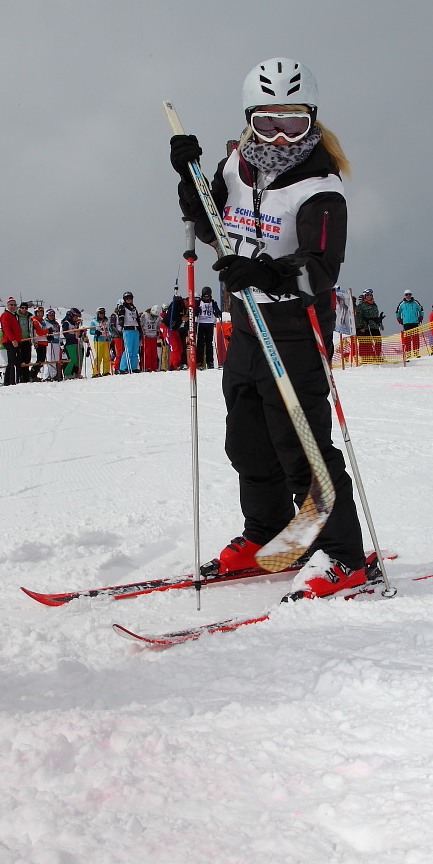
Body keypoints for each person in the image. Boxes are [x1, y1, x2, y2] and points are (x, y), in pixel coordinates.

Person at [169, 55, 366, 598]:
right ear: (248, 119)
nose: (281, 137)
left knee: (302, 448)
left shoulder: (320, 187)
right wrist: (189, 177)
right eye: (268, 122)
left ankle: (343, 556)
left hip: (296, 330)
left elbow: (320, 269)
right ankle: (268, 536)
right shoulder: (236, 166)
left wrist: (264, 272)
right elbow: (210, 225)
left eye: (294, 123)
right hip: (246, 326)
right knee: (248, 442)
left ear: (313, 120)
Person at [195, 286, 221, 369]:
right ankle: (199, 362)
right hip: (201, 323)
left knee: (209, 343)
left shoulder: (213, 302)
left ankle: (210, 362)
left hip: (209, 324)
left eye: (208, 297)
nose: (206, 298)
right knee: (200, 343)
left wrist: (217, 313)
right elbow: (194, 310)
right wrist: (197, 311)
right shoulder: (199, 302)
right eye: (205, 297)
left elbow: (217, 310)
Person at [355, 288, 384, 361]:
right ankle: (366, 358)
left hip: (375, 325)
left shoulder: (374, 305)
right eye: (367, 295)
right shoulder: (361, 305)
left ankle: (377, 356)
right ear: (365, 296)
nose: (369, 296)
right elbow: (358, 317)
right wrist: (361, 326)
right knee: (367, 342)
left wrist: (380, 324)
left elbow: (376, 315)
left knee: (378, 341)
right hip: (366, 326)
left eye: (370, 295)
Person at [0, 297, 22, 385]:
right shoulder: (5, 315)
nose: (13, 306)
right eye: (11, 305)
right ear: (7, 306)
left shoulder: (12, 315)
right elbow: (6, 328)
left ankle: (11, 380)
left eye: (14, 305)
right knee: (12, 361)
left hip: (15, 340)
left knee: (14, 361)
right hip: (9, 340)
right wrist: (12, 339)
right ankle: (10, 381)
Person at [116, 292, 141, 372]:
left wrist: (140, 330)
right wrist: (120, 328)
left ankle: (133, 367)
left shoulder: (134, 308)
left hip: (135, 329)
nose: (129, 300)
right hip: (127, 329)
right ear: (124, 299)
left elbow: (137, 319)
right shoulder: (123, 308)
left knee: (135, 350)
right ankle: (123, 368)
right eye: (127, 298)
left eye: (130, 298)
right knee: (128, 350)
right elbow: (120, 318)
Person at [395, 290, 424, 359]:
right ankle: (408, 353)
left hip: (414, 322)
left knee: (415, 337)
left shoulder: (415, 303)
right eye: (406, 295)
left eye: (409, 294)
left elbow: (421, 310)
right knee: (407, 339)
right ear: (404, 295)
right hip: (406, 323)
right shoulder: (402, 304)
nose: (408, 296)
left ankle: (416, 352)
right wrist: (399, 319)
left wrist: (420, 317)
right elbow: (397, 312)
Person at [61, 308, 83, 377]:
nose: (77, 318)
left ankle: (75, 373)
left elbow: (76, 332)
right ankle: (67, 374)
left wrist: (81, 333)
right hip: (69, 344)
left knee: (78, 359)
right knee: (73, 359)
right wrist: (73, 335)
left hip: (76, 343)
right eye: (76, 317)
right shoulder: (66, 323)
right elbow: (65, 334)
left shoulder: (74, 323)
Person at [89, 308, 111, 376]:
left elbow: (110, 329)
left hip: (106, 340)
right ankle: (96, 372)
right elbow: (91, 331)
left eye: (103, 313)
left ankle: (106, 371)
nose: (102, 314)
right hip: (98, 340)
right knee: (99, 356)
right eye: (100, 313)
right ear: (97, 314)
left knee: (106, 356)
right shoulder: (94, 321)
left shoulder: (107, 321)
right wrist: (96, 332)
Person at [43, 308, 63, 379]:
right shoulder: (44, 322)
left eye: (53, 315)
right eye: (50, 315)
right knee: (49, 358)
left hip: (56, 343)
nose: (51, 317)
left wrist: (60, 341)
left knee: (56, 359)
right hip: (49, 343)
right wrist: (47, 336)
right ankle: (46, 375)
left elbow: (59, 333)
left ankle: (54, 375)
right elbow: (43, 332)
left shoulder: (56, 324)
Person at [140, 305, 160, 371]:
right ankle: (146, 367)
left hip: (154, 336)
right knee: (147, 352)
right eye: (153, 316)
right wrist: (141, 331)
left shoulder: (158, 318)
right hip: (146, 336)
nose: (154, 318)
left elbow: (159, 325)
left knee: (154, 352)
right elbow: (140, 324)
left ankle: (153, 367)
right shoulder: (145, 315)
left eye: (155, 316)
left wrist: (158, 332)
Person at [16, 303, 33, 382]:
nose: (24, 309)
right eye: (22, 308)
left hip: (27, 340)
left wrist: (32, 339)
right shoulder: (16, 316)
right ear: (20, 308)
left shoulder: (29, 316)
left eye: (25, 308)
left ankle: (26, 377)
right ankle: (20, 376)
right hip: (19, 340)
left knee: (27, 359)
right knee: (20, 359)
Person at [29, 306, 47, 379]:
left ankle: (34, 374)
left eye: (41, 313)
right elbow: (39, 332)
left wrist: (48, 334)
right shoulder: (35, 321)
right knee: (40, 359)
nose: (40, 314)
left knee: (42, 360)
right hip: (38, 341)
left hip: (44, 341)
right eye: (38, 313)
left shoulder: (42, 321)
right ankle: (32, 375)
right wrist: (48, 331)